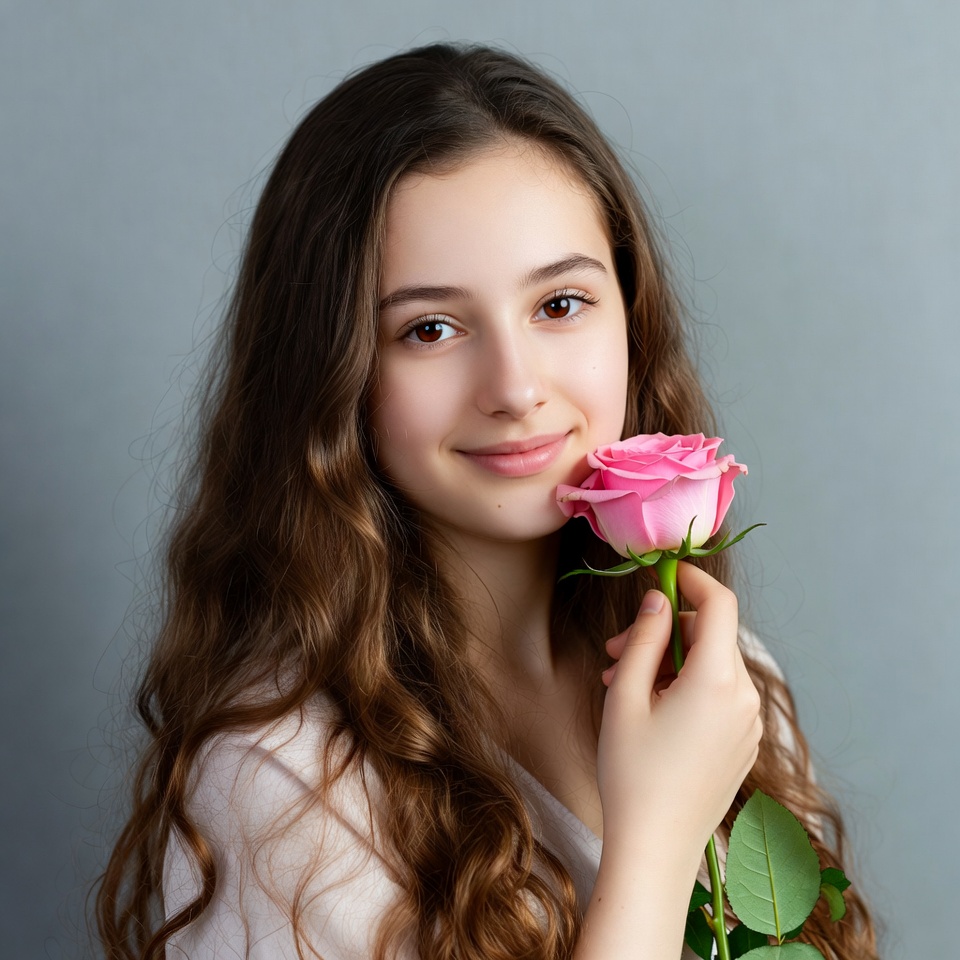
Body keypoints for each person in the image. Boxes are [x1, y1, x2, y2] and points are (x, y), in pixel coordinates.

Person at [96, 42, 878, 960]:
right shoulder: (282, 787)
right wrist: (657, 850)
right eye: (430, 328)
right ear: (330, 375)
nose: (515, 387)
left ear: (632, 315)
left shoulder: (723, 683)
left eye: (560, 304)